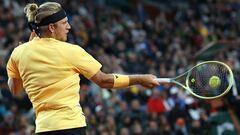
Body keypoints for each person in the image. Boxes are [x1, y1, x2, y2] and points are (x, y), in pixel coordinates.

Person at [6, 2, 159, 135]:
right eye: (64, 23)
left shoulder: (18, 53)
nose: (69, 27)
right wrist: (140, 79)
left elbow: (15, 90)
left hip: (43, 129)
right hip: (71, 127)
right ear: (52, 27)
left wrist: (22, 57)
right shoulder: (71, 51)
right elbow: (104, 81)